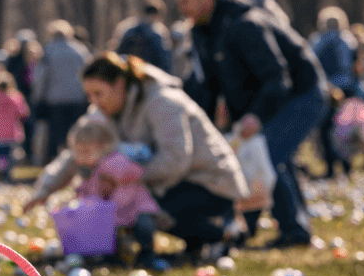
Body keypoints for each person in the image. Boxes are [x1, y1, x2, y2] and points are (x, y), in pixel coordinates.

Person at [28, 53, 247, 263]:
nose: (93, 101)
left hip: (211, 183)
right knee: (132, 198)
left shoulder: (162, 102)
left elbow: (176, 160)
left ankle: (222, 232)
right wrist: (45, 189)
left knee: (140, 202)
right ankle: (197, 239)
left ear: (120, 85)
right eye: (89, 95)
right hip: (169, 183)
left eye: (98, 93)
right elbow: (79, 150)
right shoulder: (104, 111)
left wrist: (128, 176)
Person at [177, 0, 326, 247]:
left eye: (186, 1)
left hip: (301, 93)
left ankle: (293, 231)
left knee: (265, 153)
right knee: (266, 155)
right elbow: (208, 86)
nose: (181, 8)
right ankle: (279, 227)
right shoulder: (202, 33)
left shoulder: (245, 23)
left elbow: (277, 77)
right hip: (265, 100)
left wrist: (256, 116)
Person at [27, 114, 170, 265]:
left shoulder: (113, 164)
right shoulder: (86, 168)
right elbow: (85, 191)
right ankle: (115, 257)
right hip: (110, 212)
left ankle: (147, 256)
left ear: (103, 147)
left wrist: (109, 206)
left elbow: (128, 186)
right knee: (111, 236)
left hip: (137, 207)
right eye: (78, 151)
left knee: (143, 229)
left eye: (87, 151)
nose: (81, 157)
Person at [31, 20, 91, 162]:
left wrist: (37, 96)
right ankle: (80, 159)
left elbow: (41, 77)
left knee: (55, 134)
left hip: (55, 99)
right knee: (76, 132)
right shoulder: (81, 49)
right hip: (78, 98)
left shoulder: (48, 50)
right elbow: (88, 73)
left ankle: (52, 161)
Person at [312, 7, 358, 178]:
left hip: (326, 89)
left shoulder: (318, 40)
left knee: (325, 128)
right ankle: (347, 165)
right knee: (346, 126)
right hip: (347, 89)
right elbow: (356, 67)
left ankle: (330, 167)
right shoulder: (349, 41)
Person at [0, 73, 30, 180]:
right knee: (10, 154)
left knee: (1, 154)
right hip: (11, 132)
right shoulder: (15, 97)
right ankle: (8, 173)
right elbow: (24, 112)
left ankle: (2, 172)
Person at [116, 0, 173, 72]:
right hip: (151, 75)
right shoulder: (159, 32)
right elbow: (165, 60)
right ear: (158, 14)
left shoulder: (127, 27)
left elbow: (118, 52)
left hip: (128, 72)